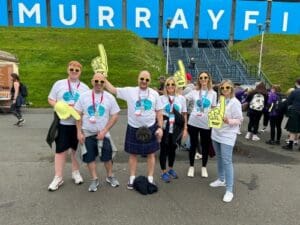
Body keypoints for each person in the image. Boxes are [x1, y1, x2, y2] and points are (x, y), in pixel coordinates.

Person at [104, 70, 163, 188]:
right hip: (134, 127)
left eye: (146, 80)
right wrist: (104, 79)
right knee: (133, 154)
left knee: (151, 154)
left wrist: (160, 127)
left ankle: (150, 178)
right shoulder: (130, 91)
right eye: (142, 79)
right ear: (138, 79)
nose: (144, 81)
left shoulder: (154, 94)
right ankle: (132, 178)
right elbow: (113, 90)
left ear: (149, 81)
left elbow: (159, 111)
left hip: (150, 127)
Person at [47, 60, 90, 191]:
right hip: (63, 123)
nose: (74, 72)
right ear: (68, 70)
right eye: (72, 69)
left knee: (76, 150)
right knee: (60, 151)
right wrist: (61, 107)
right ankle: (58, 177)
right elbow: (50, 99)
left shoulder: (84, 88)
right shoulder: (59, 84)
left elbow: (87, 106)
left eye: (77, 70)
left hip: (78, 125)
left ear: (80, 72)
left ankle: (75, 172)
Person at [75, 73, 120, 192]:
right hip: (87, 133)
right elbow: (77, 114)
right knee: (89, 157)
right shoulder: (83, 96)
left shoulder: (109, 97)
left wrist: (105, 131)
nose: (99, 84)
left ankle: (110, 176)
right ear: (92, 82)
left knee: (107, 157)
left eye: (101, 82)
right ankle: (94, 179)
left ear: (104, 83)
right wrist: (79, 132)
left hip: (103, 133)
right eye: (96, 81)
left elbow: (115, 115)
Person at [210, 80, 243, 203]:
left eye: (227, 87)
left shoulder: (235, 103)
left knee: (227, 161)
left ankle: (229, 190)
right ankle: (221, 179)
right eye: (222, 87)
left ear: (232, 88)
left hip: (228, 135)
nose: (224, 89)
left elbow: (239, 119)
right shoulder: (221, 100)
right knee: (219, 157)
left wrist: (229, 120)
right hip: (216, 133)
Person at [185, 71, 217, 178]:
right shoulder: (194, 91)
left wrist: (214, 124)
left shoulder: (213, 93)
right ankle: (191, 166)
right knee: (193, 145)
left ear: (208, 79)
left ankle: (204, 167)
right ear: (199, 79)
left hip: (206, 123)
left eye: (205, 77)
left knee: (205, 146)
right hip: (193, 122)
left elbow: (213, 109)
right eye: (201, 77)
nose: (203, 79)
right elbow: (183, 98)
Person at [159, 77, 187, 183]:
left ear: (176, 86)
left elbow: (184, 114)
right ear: (165, 86)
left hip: (176, 129)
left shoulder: (181, 99)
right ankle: (163, 171)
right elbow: (158, 114)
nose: (170, 86)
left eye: (172, 84)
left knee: (172, 149)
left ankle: (170, 168)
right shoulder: (161, 98)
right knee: (163, 150)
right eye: (168, 85)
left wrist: (185, 128)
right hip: (165, 128)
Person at [282, 79, 300, 151]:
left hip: (295, 112)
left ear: (296, 83)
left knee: (292, 130)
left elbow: (288, 102)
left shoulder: (294, 92)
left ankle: (290, 145)